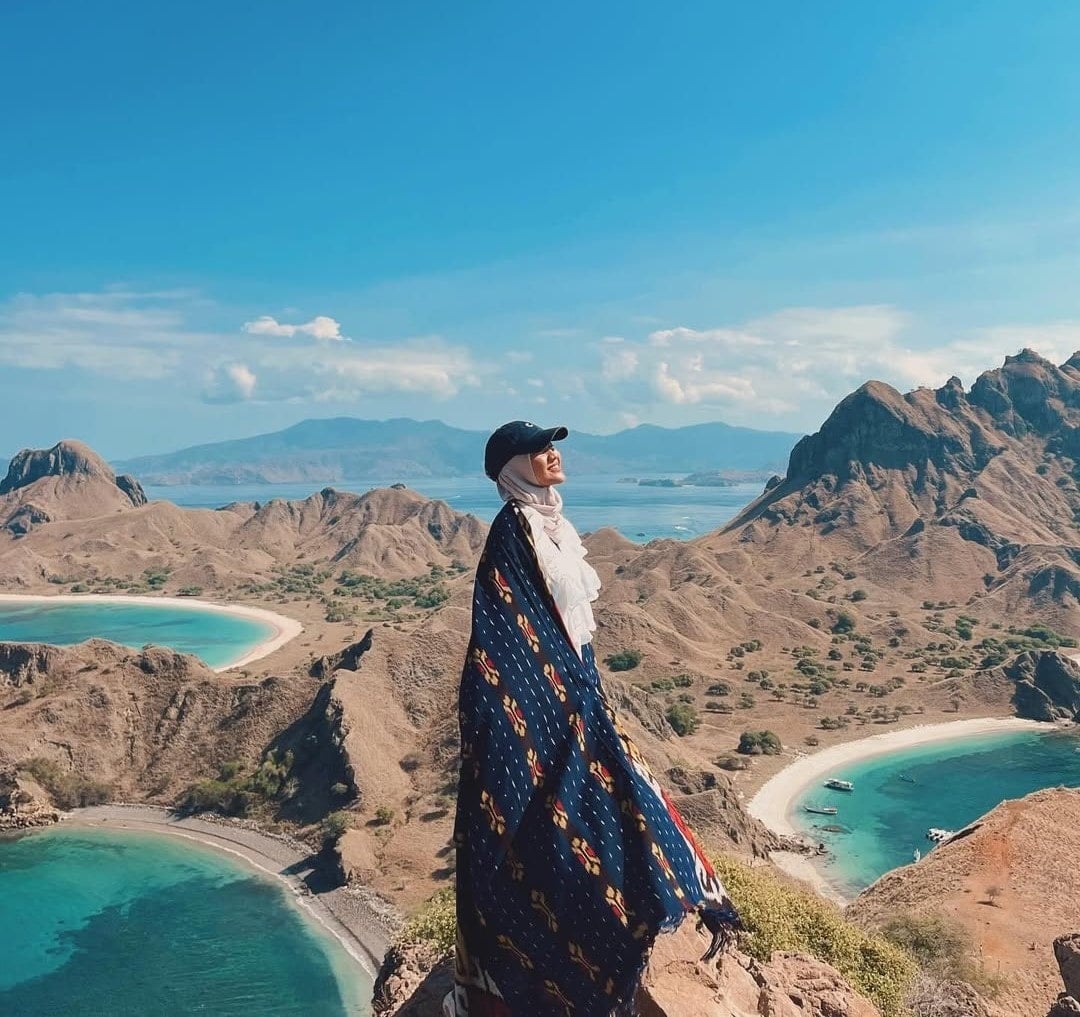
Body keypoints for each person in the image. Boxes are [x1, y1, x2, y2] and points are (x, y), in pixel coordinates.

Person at [450, 421, 741, 1017]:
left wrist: (584, 688)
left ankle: (622, 929)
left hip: (579, 697)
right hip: (544, 708)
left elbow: (569, 628)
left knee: (620, 804)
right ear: (513, 468)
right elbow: (506, 635)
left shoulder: (553, 526)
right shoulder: (514, 531)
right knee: (551, 828)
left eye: (551, 446)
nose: (552, 455)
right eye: (538, 450)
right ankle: (558, 964)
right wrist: (547, 704)